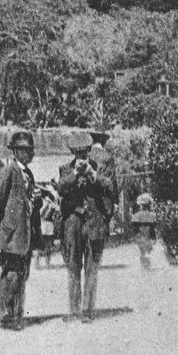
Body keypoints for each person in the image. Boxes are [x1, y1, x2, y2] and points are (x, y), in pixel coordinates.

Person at [0, 131, 42, 331]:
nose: (31, 154)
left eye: (31, 150)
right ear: (17, 152)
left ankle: (17, 315)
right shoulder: (8, 171)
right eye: (27, 151)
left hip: (25, 235)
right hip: (12, 234)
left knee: (21, 275)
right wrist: (6, 223)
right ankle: (7, 318)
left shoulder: (28, 173)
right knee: (11, 275)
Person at [57, 132, 117, 323]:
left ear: (90, 151)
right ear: (73, 152)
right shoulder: (65, 168)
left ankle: (87, 311)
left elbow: (111, 187)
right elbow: (60, 188)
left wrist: (93, 174)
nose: (82, 156)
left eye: (85, 152)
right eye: (78, 152)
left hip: (94, 221)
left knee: (91, 268)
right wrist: (75, 174)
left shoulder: (101, 166)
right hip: (73, 221)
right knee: (73, 266)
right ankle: (74, 310)